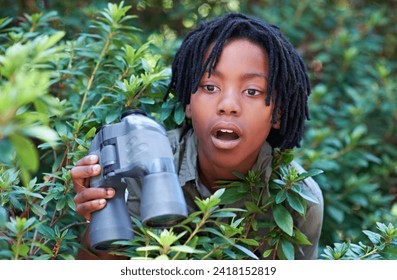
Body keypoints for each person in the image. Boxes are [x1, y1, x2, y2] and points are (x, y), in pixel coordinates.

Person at [71, 12, 323, 260]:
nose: (228, 105)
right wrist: (99, 212)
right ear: (188, 103)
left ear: (277, 112)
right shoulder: (145, 162)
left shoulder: (300, 199)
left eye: (252, 91)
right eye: (210, 87)